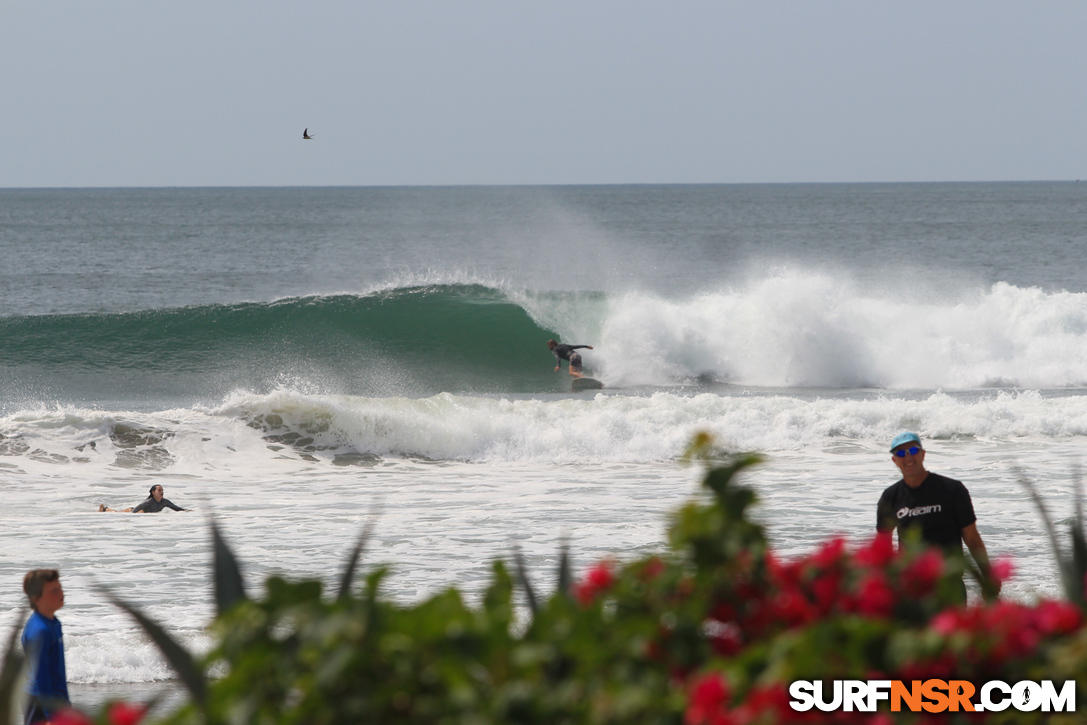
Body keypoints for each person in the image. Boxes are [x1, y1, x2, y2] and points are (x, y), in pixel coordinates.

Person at [876, 432, 999, 602]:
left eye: (913, 450)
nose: (908, 457)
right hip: (911, 588)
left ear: (923, 454)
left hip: (950, 584)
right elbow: (882, 546)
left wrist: (988, 576)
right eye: (901, 453)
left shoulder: (952, 490)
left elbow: (971, 537)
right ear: (894, 460)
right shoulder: (890, 497)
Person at [21, 569, 69, 724]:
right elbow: (40, 677)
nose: (61, 593)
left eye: (60, 587)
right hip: (40, 704)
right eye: (54, 590)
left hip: (57, 700)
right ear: (36, 598)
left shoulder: (54, 623)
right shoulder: (39, 631)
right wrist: (50, 717)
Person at [98, 485, 186, 513]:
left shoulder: (165, 502)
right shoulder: (148, 502)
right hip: (132, 511)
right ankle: (105, 509)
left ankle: (105, 509)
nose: (162, 492)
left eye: (162, 490)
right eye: (159, 490)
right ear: (153, 492)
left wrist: (188, 511)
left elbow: (177, 509)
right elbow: (133, 512)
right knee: (116, 513)